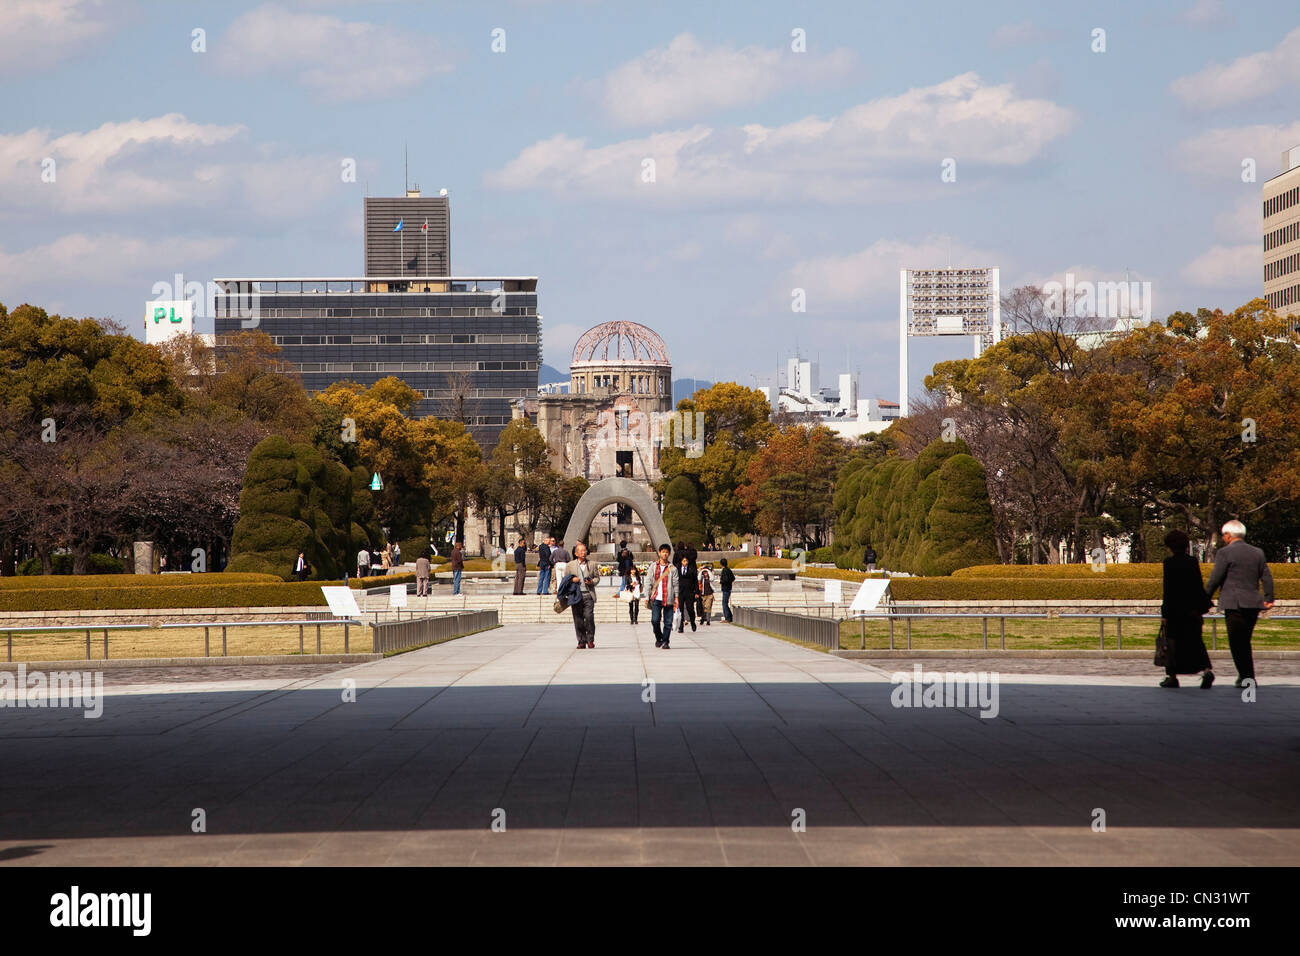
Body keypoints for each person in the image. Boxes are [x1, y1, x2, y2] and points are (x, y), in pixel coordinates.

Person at [1205, 519, 1274, 688]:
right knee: (1244, 640)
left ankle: (1247, 677)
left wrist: (1204, 597)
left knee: (1237, 642)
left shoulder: (1224, 553)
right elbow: (1266, 576)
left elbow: (1216, 578)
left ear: (1228, 535)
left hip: (1233, 603)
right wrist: (1268, 598)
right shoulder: (1257, 552)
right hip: (1252, 602)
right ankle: (1245, 676)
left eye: (1223, 535)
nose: (1223, 538)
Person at [1158, 529, 1214, 688]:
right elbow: (1197, 586)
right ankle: (1206, 671)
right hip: (1192, 610)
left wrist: (1165, 613)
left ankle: (1172, 676)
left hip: (1175, 610)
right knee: (1196, 642)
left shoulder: (1169, 563)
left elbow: (1168, 590)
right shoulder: (1192, 561)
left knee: (1172, 643)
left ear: (1169, 546)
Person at [561, 542, 598, 648]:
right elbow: (565, 580)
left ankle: (590, 639)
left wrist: (592, 582)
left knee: (589, 617)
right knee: (578, 619)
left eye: (585, 550)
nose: (584, 552)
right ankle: (581, 640)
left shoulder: (592, 564)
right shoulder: (570, 565)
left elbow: (597, 578)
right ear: (576, 553)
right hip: (576, 595)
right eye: (581, 551)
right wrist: (572, 579)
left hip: (588, 595)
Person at [648, 543, 678, 648]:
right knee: (655, 620)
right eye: (663, 552)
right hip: (656, 598)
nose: (665, 554)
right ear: (659, 553)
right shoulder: (653, 566)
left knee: (668, 622)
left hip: (668, 598)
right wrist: (647, 597)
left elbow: (676, 584)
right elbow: (648, 582)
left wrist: (677, 598)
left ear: (669, 554)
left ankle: (666, 641)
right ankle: (659, 637)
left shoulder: (673, 568)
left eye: (666, 552)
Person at [676, 555, 697, 633]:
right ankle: (681, 627)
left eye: (686, 561)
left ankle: (693, 622)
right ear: (681, 562)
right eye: (683, 561)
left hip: (689, 592)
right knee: (680, 609)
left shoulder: (692, 569)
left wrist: (696, 592)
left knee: (690, 608)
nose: (685, 562)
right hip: (680, 592)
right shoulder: (677, 569)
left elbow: (695, 581)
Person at [719, 557, 735, 622]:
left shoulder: (724, 571)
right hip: (729, 588)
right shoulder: (729, 570)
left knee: (724, 603)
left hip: (725, 588)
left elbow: (725, 580)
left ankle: (727, 618)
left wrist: (721, 581)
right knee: (725, 603)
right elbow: (733, 578)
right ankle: (730, 616)